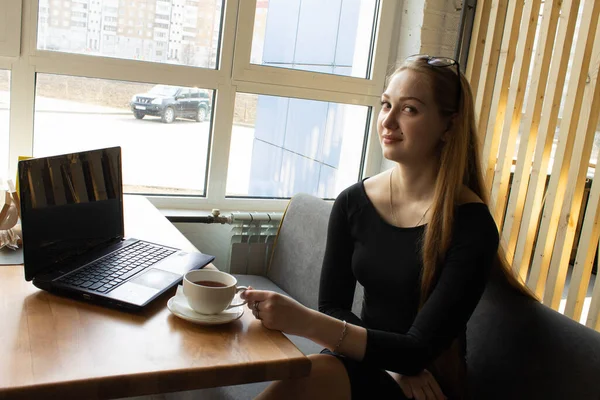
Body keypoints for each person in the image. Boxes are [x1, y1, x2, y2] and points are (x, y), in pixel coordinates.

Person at [240, 54, 536, 400]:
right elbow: (333, 307)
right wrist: (387, 361)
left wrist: (302, 320)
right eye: (385, 105)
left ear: (449, 126)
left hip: (424, 386)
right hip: (368, 361)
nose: (388, 121)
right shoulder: (353, 202)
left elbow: (418, 350)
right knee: (314, 374)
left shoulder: (471, 225)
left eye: (409, 109)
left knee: (313, 375)